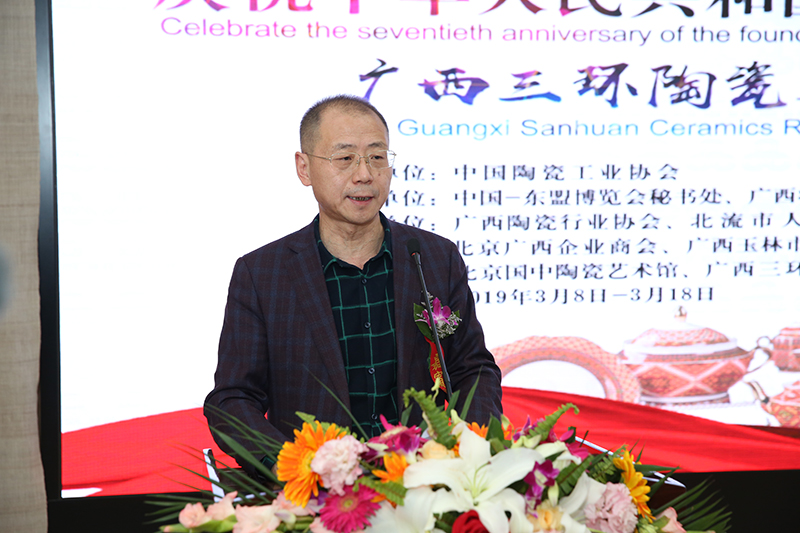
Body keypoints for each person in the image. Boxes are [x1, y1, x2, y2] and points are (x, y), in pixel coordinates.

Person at [204, 95, 502, 476]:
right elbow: (232, 400)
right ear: (304, 168)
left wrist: (471, 453)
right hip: (315, 494)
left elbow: (473, 370)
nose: (364, 174)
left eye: (377, 157)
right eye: (345, 158)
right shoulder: (262, 274)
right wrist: (293, 467)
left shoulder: (433, 258)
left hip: (420, 483)